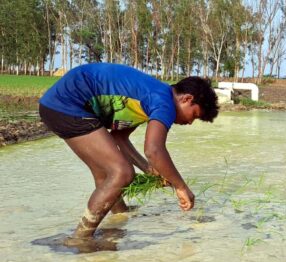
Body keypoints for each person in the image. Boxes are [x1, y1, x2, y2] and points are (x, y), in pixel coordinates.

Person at [38, 63, 219, 243]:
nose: (190, 122)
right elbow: (154, 150)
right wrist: (180, 187)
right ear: (187, 99)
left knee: (106, 173)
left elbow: (119, 139)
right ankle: (79, 238)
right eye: (194, 115)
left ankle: (119, 216)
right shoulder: (164, 101)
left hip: (56, 106)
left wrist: (148, 169)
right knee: (122, 172)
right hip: (68, 105)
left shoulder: (149, 98)